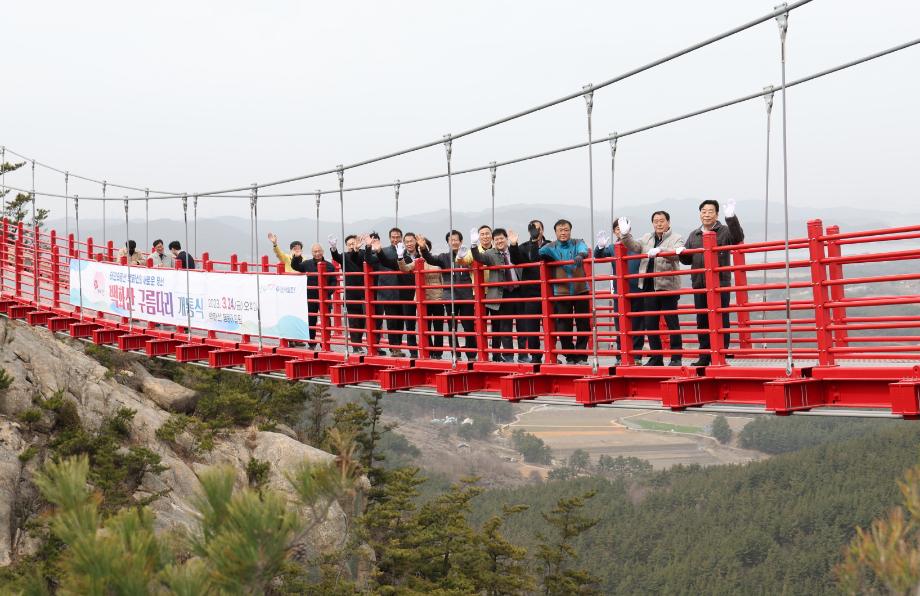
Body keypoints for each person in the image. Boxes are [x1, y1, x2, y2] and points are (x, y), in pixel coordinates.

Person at [679, 199, 745, 366]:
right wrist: (681, 253)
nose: (706, 214)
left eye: (710, 211)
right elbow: (688, 260)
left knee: (721, 318)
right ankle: (704, 356)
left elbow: (738, 238)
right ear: (700, 214)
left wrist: (731, 217)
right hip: (700, 283)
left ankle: (721, 354)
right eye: (703, 211)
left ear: (717, 214)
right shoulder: (694, 234)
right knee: (702, 320)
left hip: (719, 282)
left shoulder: (724, 231)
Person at [616, 211, 685, 366]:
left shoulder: (676, 238)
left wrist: (662, 252)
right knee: (650, 323)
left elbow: (677, 255)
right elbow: (633, 246)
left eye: (662, 221)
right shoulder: (647, 237)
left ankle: (676, 357)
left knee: (671, 322)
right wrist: (625, 235)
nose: (659, 224)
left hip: (667, 286)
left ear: (668, 222)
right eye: (655, 221)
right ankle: (656, 357)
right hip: (647, 285)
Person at [538, 219, 591, 364]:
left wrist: (580, 255)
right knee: (563, 325)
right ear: (555, 232)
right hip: (561, 291)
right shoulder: (551, 246)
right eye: (560, 230)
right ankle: (569, 355)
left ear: (570, 231)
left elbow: (583, 249)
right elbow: (539, 252)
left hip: (581, 290)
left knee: (584, 324)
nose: (563, 232)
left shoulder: (577, 242)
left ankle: (581, 355)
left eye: (566, 229)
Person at [419, 230, 477, 360]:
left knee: (469, 327)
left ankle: (472, 354)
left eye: (456, 239)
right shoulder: (444, 257)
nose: (454, 242)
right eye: (451, 240)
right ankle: (455, 354)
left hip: (467, 296)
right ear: (448, 242)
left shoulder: (469, 255)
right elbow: (430, 259)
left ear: (461, 241)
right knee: (452, 327)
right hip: (450, 296)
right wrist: (423, 248)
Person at [594, 219, 645, 365]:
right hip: (620, 292)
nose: (620, 230)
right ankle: (620, 356)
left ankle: (636, 357)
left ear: (629, 228)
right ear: (614, 231)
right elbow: (599, 256)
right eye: (617, 228)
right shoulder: (612, 247)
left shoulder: (637, 244)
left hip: (638, 290)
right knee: (620, 325)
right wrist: (599, 246)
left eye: (622, 227)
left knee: (637, 325)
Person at [471, 228, 521, 362]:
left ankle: (523, 355)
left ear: (506, 239)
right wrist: (474, 245)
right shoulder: (491, 254)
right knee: (505, 327)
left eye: (501, 238)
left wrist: (515, 244)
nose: (499, 241)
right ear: (494, 241)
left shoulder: (514, 251)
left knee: (523, 325)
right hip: (502, 293)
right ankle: (508, 356)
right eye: (496, 239)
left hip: (519, 292)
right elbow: (479, 258)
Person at [509, 219, 549, 363]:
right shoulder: (524, 247)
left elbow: (539, 257)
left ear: (543, 230)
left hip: (549, 293)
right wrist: (513, 245)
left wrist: (535, 241)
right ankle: (536, 357)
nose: (535, 231)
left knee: (551, 327)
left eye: (537, 228)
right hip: (530, 293)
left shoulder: (550, 244)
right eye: (532, 229)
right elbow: (515, 260)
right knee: (532, 328)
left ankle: (552, 355)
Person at [398, 236, 444, 358]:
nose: (422, 250)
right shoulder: (418, 261)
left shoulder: (437, 260)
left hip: (438, 297)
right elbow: (404, 268)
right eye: (420, 248)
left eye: (424, 247)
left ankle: (438, 353)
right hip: (423, 299)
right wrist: (400, 258)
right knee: (425, 327)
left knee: (438, 327)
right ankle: (429, 351)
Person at [329, 233, 375, 352]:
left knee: (364, 321)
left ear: (358, 242)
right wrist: (333, 248)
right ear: (346, 246)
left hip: (364, 292)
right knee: (354, 321)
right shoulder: (344, 256)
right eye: (349, 244)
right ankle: (356, 346)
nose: (351, 245)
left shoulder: (364, 253)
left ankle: (366, 345)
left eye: (353, 243)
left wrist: (357, 250)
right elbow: (336, 257)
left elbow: (358, 258)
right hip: (350, 292)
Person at [368, 227, 406, 356]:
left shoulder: (406, 251)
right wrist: (369, 247)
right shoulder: (382, 251)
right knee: (392, 321)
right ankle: (394, 347)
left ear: (401, 237)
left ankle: (398, 346)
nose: (395, 239)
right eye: (393, 237)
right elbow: (369, 260)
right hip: (387, 291)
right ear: (389, 238)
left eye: (398, 237)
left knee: (401, 321)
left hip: (405, 292)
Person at [292, 243, 337, 349]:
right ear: (312, 253)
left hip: (324, 298)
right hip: (310, 297)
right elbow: (296, 266)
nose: (317, 253)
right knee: (311, 320)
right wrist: (297, 257)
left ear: (323, 251)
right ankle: (311, 343)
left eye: (319, 251)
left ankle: (325, 342)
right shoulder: (307, 264)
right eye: (315, 251)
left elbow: (333, 282)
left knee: (326, 320)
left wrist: (327, 292)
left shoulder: (330, 266)